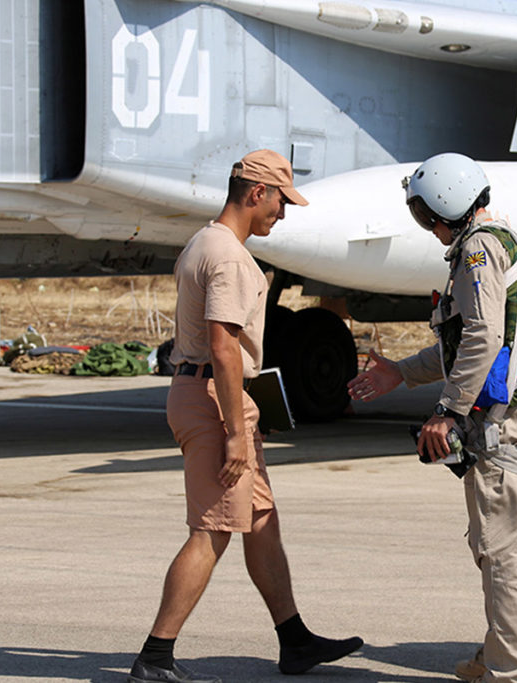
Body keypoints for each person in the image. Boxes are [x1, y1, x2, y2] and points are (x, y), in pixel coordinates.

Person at [128, 150, 362, 683]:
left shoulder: (203, 241)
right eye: (281, 199)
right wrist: (236, 432)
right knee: (211, 531)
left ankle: (294, 638)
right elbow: (224, 346)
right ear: (257, 192)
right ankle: (155, 657)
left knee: (260, 521)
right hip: (214, 402)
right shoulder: (230, 257)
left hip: (208, 395)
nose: (283, 211)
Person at [347, 152, 517, 683]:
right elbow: (480, 340)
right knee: (492, 542)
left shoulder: (478, 251)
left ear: (445, 204)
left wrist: (446, 412)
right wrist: (401, 371)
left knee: (502, 548)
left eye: (426, 213)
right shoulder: (512, 245)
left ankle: (510, 671)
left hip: (503, 414)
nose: (428, 225)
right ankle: (496, 656)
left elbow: (484, 337)